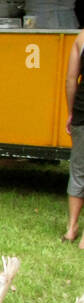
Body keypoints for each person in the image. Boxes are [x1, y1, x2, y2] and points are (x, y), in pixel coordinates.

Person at [64, 26, 84, 244]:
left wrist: (71, 112)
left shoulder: (81, 38)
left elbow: (71, 80)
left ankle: (71, 228)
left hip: (82, 112)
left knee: (79, 170)